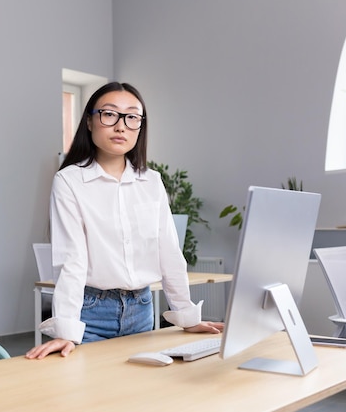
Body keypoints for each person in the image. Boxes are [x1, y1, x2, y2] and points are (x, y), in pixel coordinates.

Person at [25, 82, 223, 360]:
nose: (121, 126)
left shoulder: (151, 181)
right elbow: (72, 260)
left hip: (141, 309)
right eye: (109, 114)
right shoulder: (69, 181)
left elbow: (168, 251)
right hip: (91, 314)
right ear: (90, 122)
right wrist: (66, 330)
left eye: (132, 117)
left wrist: (187, 316)